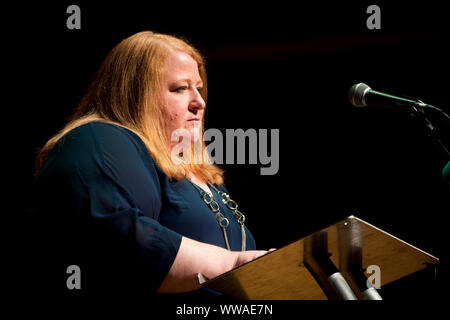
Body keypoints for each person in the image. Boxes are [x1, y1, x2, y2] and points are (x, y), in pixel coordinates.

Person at [33, 31, 270, 296]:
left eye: (199, 88)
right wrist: (232, 263)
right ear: (135, 94)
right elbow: (116, 241)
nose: (199, 102)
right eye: (181, 88)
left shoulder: (203, 177)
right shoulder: (99, 139)